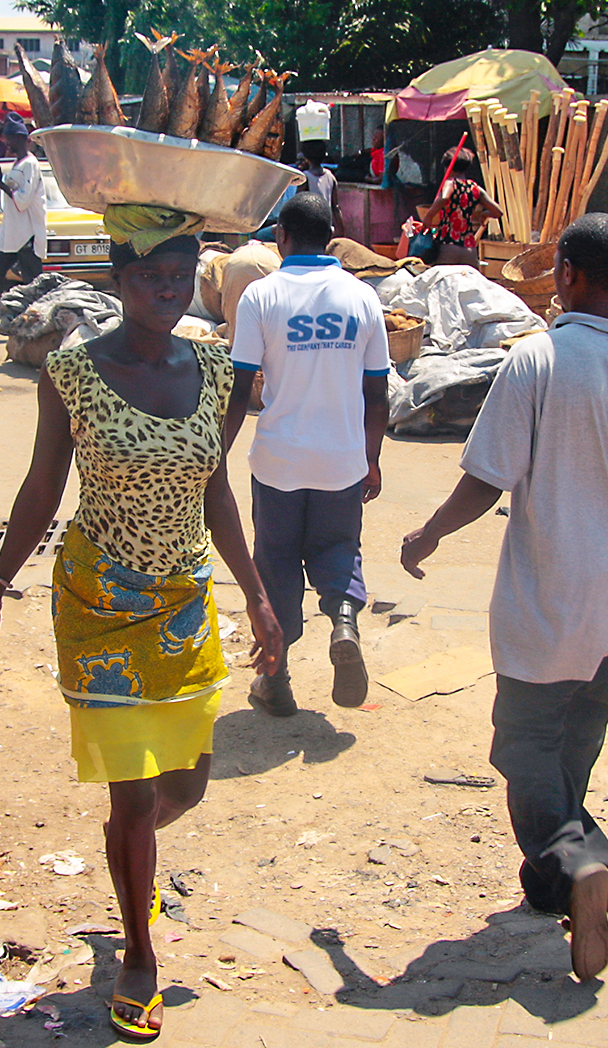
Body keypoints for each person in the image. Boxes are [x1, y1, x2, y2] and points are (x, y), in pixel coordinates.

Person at [0, 215, 283, 1043]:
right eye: (151, 278)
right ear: (118, 281)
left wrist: (256, 594)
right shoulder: (71, 372)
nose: (168, 293)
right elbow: (41, 489)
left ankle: (126, 842)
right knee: (136, 793)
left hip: (181, 604)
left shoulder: (215, 369)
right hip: (99, 603)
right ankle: (139, 951)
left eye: (181, 278)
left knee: (185, 786)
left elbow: (216, 492)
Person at [400, 213, 608, 982]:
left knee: (522, 747)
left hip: (546, 596)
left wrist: (428, 535)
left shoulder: (534, 361)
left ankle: (582, 863)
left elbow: (485, 478)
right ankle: (554, 889)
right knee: (573, 748)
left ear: (566, 273)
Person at [224, 193, 387, 714]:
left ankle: (276, 682)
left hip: (278, 461)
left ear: (282, 238)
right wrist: (372, 457)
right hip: (341, 460)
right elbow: (378, 391)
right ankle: (343, 623)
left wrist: (217, 454)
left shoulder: (261, 296)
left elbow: (239, 384)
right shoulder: (362, 298)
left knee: (275, 564)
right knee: (339, 550)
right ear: (332, 234)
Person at [0, 115, 45, 308]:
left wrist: (1, 185)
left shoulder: (30, 164)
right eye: (6, 138)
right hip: (10, 233)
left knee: (34, 284)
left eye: (10, 138)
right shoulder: (17, 165)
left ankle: (39, 322)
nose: (7, 142)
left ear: (20, 139)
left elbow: (23, 201)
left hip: (27, 234)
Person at [402, 146, 501, 267]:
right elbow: (498, 212)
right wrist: (484, 214)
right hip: (469, 250)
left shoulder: (450, 183)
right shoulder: (475, 188)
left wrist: (429, 217)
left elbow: (444, 198)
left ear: (447, 167)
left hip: (448, 247)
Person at [297, 140, 340, 237]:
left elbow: (298, 207)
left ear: (306, 158)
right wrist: (342, 233)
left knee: (263, 235)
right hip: (326, 227)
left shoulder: (305, 177)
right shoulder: (330, 176)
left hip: (309, 229)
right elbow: (336, 208)